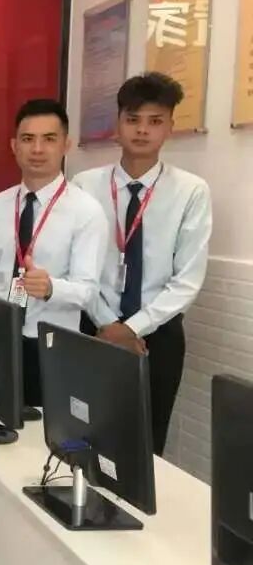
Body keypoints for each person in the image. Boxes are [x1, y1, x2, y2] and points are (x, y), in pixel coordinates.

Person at [74, 73, 211, 455]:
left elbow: (188, 279)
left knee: (146, 441)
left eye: (155, 121)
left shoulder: (191, 191)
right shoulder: (85, 185)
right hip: (93, 326)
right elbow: (77, 265)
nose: (142, 130)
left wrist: (132, 328)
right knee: (84, 429)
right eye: (133, 119)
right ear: (117, 124)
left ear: (170, 127)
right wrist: (107, 323)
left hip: (158, 334)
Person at [0, 99, 108, 407]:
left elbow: (88, 291)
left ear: (65, 145)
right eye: (28, 139)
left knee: (44, 433)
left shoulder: (86, 211)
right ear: (14, 146)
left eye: (49, 139)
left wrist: (50, 288)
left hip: (52, 347)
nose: (37, 149)